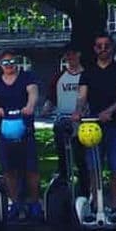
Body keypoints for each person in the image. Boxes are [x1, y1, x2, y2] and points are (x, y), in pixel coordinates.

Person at [72, 33, 116, 224]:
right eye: (99, 46)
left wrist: (110, 111)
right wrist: (78, 111)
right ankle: (96, 205)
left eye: (106, 45)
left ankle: (114, 207)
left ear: (112, 47)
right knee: (93, 168)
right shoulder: (88, 72)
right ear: (95, 49)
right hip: (92, 126)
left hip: (114, 125)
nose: (103, 49)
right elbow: (82, 97)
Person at [0, 49, 42, 220]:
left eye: (11, 62)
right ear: (0, 65)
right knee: (8, 169)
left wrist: (30, 106)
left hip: (25, 128)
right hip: (6, 130)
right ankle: (15, 202)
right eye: (5, 63)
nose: (9, 65)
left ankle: (34, 202)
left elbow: (33, 93)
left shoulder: (26, 77)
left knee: (31, 168)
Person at [42, 42, 88, 197]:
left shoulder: (86, 75)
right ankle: (64, 193)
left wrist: (81, 112)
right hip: (62, 123)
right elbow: (51, 98)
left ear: (79, 54)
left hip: (81, 125)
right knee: (63, 161)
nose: (71, 58)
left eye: (73, 54)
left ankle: (85, 193)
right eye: (68, 55)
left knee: (81, 161)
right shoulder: (59, 76)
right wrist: (46, 108)